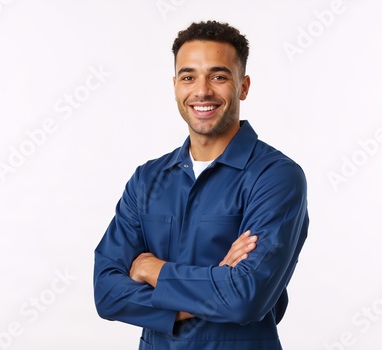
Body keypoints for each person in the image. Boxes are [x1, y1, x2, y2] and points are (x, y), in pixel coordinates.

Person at [93, 20, 309, 350]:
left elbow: (244, 298)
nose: (202, 90)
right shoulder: (147, 180)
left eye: (219, 76)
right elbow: (107, 293)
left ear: (243, 86)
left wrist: (152, 269)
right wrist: (214, 283)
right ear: (176, 85)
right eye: (189, 76)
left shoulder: (276, 177)